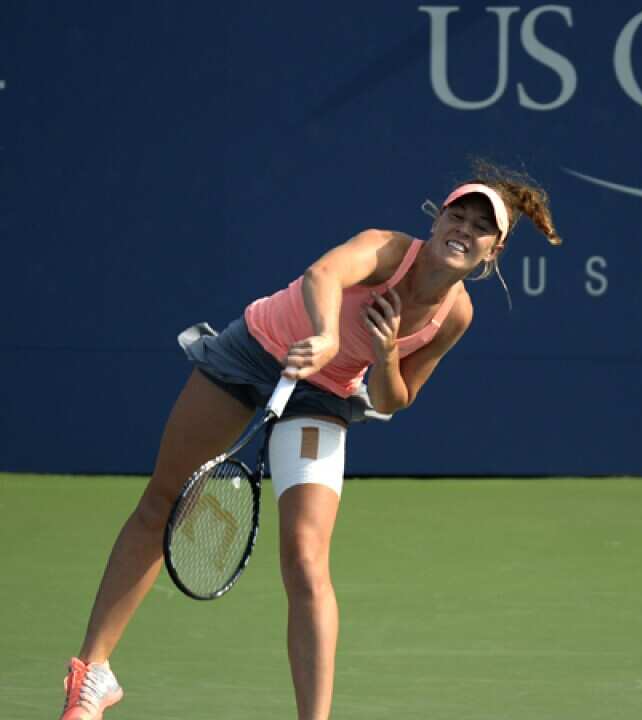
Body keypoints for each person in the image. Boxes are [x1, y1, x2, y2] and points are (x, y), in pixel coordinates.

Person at [59, 162, 561, 720]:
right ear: (437, 219)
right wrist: (325, 334)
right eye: (456, 214)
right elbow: (322, 274)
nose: (464, 228)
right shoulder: (389, 250)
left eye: (480, 226)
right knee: (165, 502)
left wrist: (385, 352)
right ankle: (93, 674)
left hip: (322, 400)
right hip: (252, 354)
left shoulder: (456, 314)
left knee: (304, 559)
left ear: (493, 251)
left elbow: (395, 398)